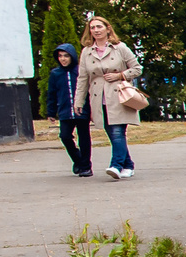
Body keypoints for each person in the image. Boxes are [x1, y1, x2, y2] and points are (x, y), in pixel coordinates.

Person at [77, 14, 144, 181]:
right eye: (92, 27)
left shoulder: (119, 47)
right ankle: (128, 165)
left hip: (119, 96)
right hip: (98, 98)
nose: (96, 30)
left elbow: (137, 68)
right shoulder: (87, 52)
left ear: (108, 29)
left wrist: (120, 75)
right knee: (112, 133)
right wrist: (78, 101)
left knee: (117, 132)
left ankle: (116, 165)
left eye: (99, 27)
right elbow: (82, 78)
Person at [46, 42, 90, 177]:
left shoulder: (80, 71)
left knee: (84, 138)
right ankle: (78, 159)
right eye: (60, 56)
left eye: (66, 56)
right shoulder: (55, 74)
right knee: (65, 136)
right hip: (65, 111)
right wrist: (51, 112)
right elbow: (52, 94)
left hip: (81, 110)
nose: (63, 59)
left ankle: (86, 166)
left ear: (72, 57)